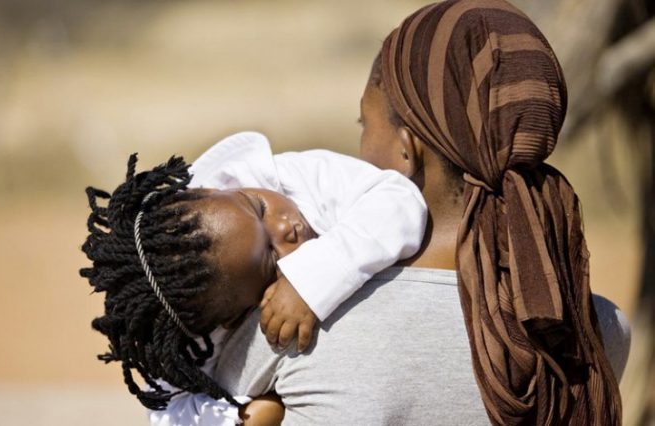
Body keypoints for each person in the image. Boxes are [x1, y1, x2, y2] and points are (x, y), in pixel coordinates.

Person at [212, 0, 627, 424]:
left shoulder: (295, 326)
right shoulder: (596, 331)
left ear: (408, 150)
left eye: (364, 124)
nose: (358, 149)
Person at [80, 131, 427, 417]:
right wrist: (246, 417)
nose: (286, 226)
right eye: (272, 256)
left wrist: (312, 278)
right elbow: (169, 411)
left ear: (213, 191)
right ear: (229, 318)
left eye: (259, 207)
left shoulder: (286, 176)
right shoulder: (196, 329)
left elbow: (399, 200)